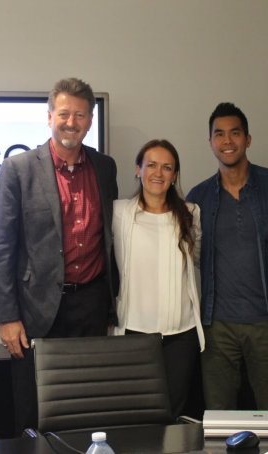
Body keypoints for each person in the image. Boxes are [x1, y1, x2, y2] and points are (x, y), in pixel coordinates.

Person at [0, 77, 118, 433]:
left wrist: (110, 306)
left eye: (80, 115)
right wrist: (7, 317)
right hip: (36, 310)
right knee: (35, 412)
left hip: (91, 306)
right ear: (49, 117)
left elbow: (110, 238)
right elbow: (1, 247)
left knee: (86, 406)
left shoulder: (105, 168)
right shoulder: (19, 169)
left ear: (90, 121)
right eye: (63, 114)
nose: (71, 122)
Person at [187, 102, 268, 411]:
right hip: (216, 327)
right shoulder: (198, 198)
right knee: (219, 415)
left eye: (235, 133)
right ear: (210, 142)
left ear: (248, 139)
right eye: (219, 134)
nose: (227, 141)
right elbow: (187, 258)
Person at [112, 139, 204, 418]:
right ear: (137, 169)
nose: (158, 173)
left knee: (172, 415)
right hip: (134, 332)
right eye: (151, 165)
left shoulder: (190, 213)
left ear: (174, 175)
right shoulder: (118, 213)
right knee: (136, 414)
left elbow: (198, 259)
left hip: (181, 334)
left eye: (167, 167)